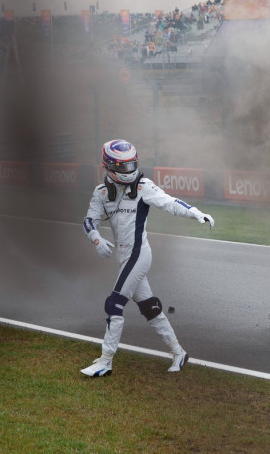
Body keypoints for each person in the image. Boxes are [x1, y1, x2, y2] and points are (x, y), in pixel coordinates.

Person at [80, 139, 215, 377]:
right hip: (124, 257)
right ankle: (178, 352)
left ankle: (105, 361)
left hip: (139, 254)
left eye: (132, 165)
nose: (129, 171)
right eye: (123, 167)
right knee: (149, 307)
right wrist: (96, 239)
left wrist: (195, 213)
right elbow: (89, 220)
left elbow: (170, 203)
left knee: (114, 303)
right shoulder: (101, 193)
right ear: (109, 167)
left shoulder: (143, 186)